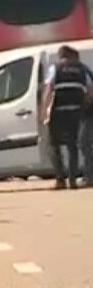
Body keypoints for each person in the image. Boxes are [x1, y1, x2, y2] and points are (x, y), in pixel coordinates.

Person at [42, 45, 92, 190]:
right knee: (73, 146)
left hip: (58, 112)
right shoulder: (82, 69)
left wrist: (44, 110)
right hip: (75, 112)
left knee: (53, 145)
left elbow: (48, 89)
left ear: (61, 56)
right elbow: (90, 91)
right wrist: (84, 105)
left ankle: (60, 180)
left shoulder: (55, 69)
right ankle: (72, 180)